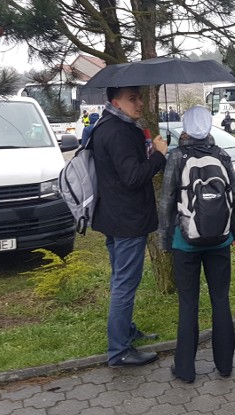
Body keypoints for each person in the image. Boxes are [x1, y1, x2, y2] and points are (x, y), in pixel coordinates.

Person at [158, 106, 235, 384]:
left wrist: (165, 240)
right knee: (221, 299)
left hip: (186, 241)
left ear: (185, 127)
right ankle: (226, 365)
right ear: (209, 127)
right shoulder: (221, 154)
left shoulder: (176, 156)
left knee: (188, 303)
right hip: (220, 239)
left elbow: (167, 201)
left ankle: (185, 369)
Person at [91, 86, 168, 367]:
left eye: (140, 97)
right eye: (132, 99)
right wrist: (158, 155)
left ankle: (125, 331)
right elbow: (133, 177)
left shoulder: (105, 125)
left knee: (119, 280)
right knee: (125, 285)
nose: (139, 103)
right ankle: (119, 350)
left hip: (113, 217)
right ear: (116, 102)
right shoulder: (120, 132)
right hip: (127, 221)